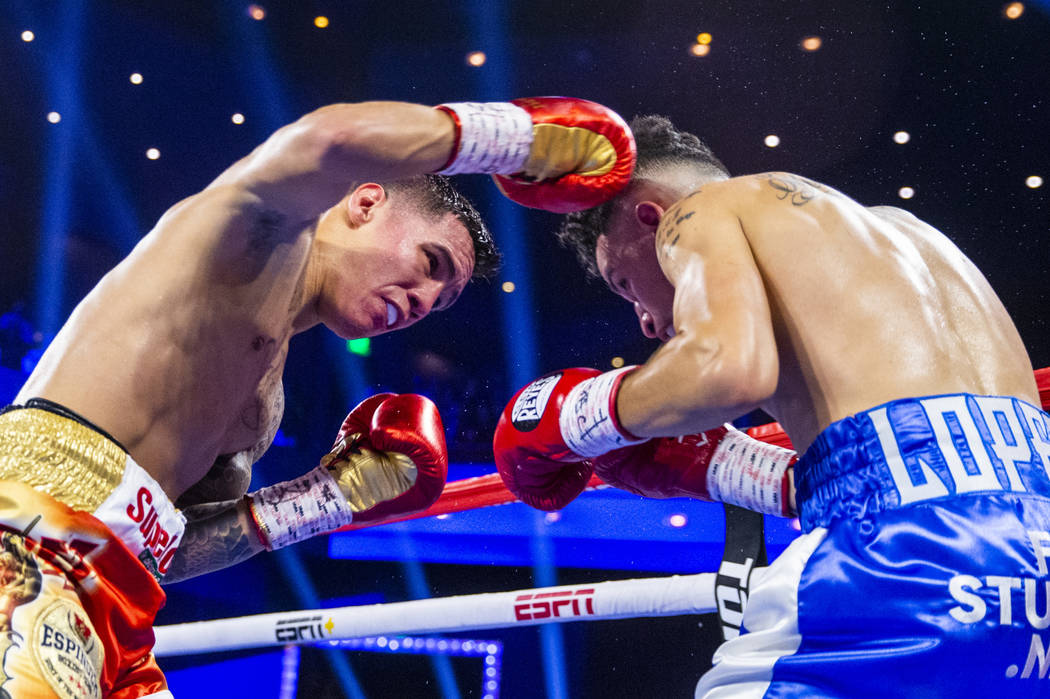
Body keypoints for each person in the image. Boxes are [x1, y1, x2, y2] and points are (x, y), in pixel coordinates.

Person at [0, 96, 635, 697]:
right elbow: (327, 139)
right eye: (430, 262)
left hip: (114, 610)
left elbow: (168, 547)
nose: (421, 302)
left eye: (438, 303)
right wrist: (512, 139)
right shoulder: (248, 238)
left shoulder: (263, 407)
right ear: (364, 202)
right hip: (22, 538)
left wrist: (328, 498)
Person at [491, 113, 1050, 696]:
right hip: (1034, 568)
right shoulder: (912, 235)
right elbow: (935, 462)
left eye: (624, 284)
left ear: (650, 217)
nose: (649, 321)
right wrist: (734, 468)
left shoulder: (700, 210)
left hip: (900, 560)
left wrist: (580, 417)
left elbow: (727, 370)